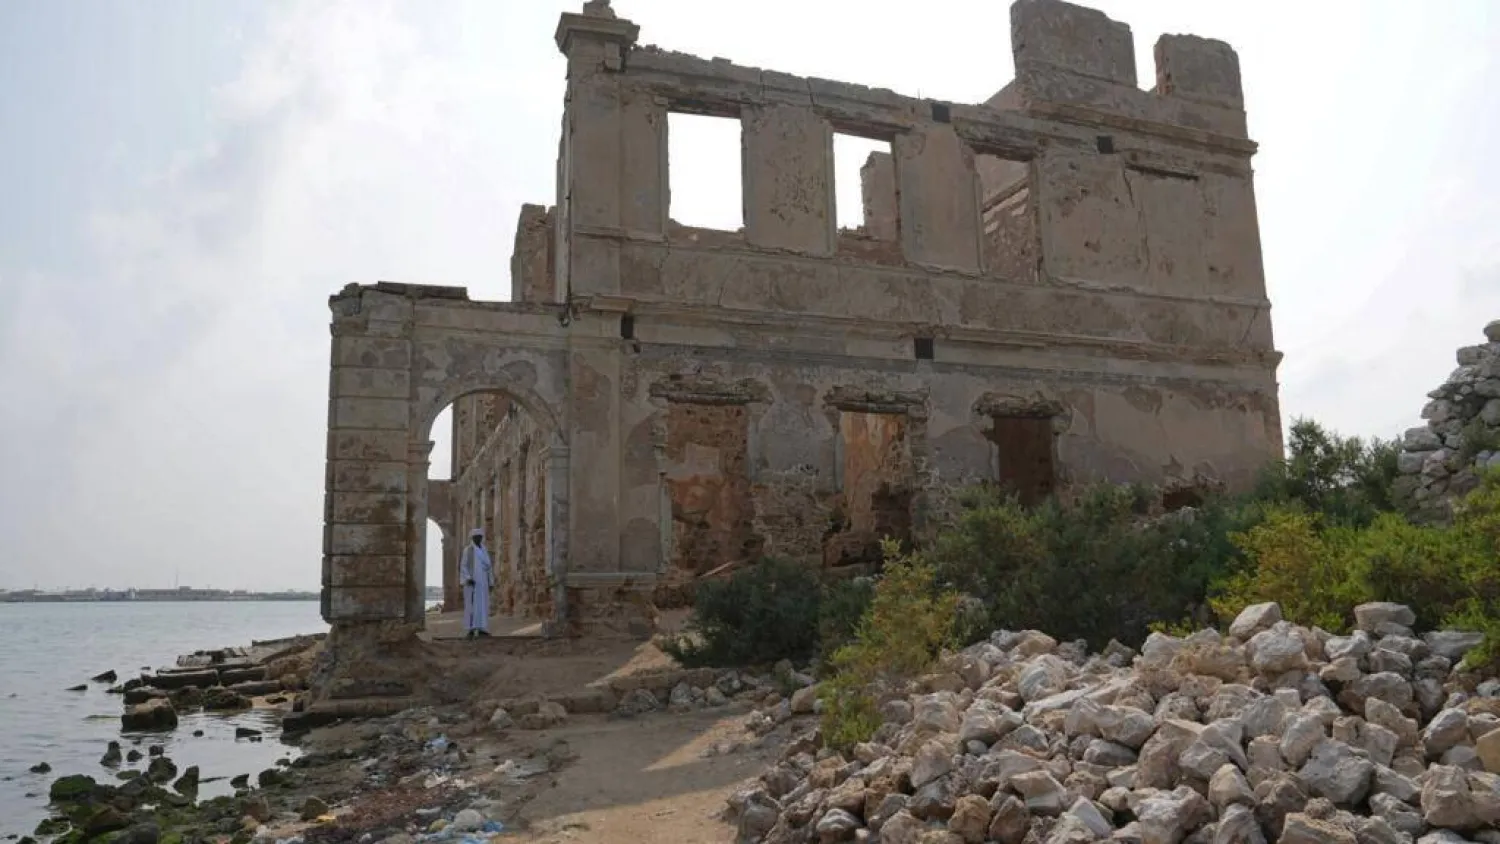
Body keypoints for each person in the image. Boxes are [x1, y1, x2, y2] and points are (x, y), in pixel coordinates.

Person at [458, 528, 493, 638]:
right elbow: (463, 566)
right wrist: (468, 578)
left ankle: (482, 628)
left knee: (483, 605)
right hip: (472, 583)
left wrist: (491, 581)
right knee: (471, 606)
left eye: (480, 537)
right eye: (476, 537)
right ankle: (471, 630)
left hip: (483, 582)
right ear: (472, 538)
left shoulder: (484, 550)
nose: (478, 539)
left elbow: (489, 566)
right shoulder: (468, 550)